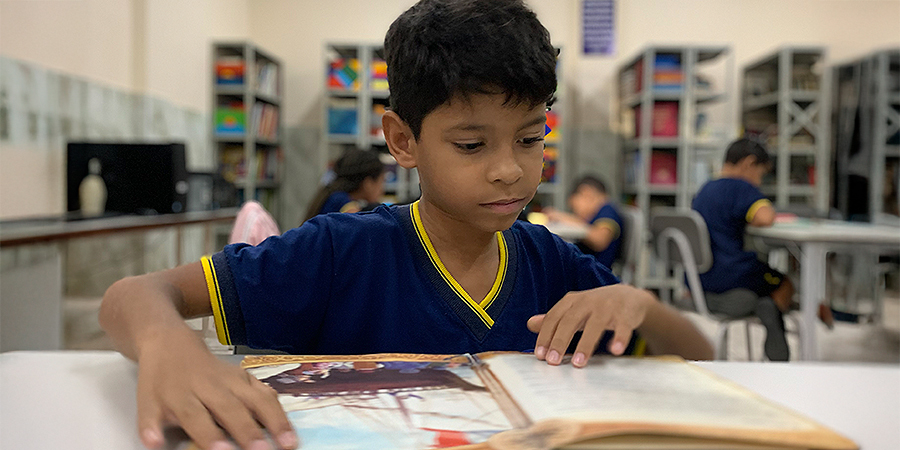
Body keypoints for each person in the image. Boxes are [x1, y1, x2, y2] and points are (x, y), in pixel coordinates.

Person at [99, 2, 713, 450]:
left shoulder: (551, 262)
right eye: (471, 145)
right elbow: (134, 294)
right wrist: (167, 344)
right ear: (402, 140)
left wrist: (641, 304)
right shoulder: (339, 251)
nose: (509, 169)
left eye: (530, 139)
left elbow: (699, 356)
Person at [692, 138, 831, 362]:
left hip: (702, 280)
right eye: (761, 174)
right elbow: (765, 217)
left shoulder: (705, 190)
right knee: (784, 283)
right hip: (732, 275)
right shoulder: (741, 187)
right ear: (749, 163)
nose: (759, 181)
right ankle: (773, 313)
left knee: (763, 275)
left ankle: (766, 307)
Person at [546, 175, 624, 269]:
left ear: (586, 193)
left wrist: (565, 219)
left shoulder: (607, 210)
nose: (577, 212)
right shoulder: (597, 213)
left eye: (575, 207)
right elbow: (586, 225)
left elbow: (600, 240)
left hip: (597, 271)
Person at [303, 147, 386, 222]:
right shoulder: (348, 208)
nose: (382, 190)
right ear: (368, 184)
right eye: (381, 181)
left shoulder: (334, 196)